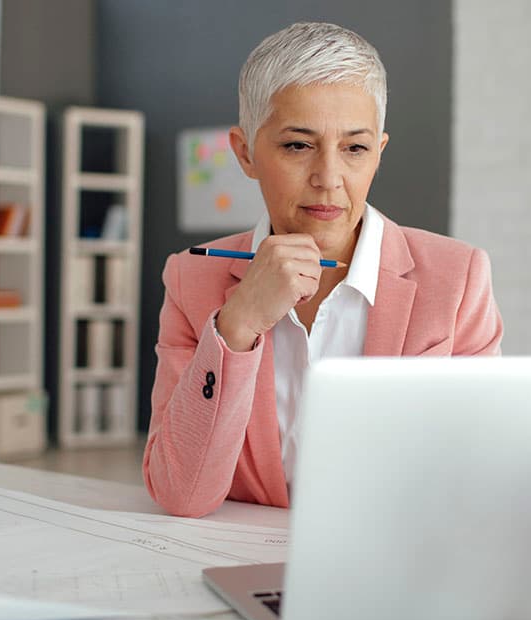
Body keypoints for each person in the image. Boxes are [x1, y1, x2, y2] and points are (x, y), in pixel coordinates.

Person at [144, 22, 504, 518]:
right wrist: (237, 325)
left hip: (391, 562)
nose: (328, 179)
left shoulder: (458, 277)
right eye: (297, 145)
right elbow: (181, 495)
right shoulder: (191, 280)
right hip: (243, 562)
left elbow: (483, 473)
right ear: (246, 152)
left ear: (378, 152)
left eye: (354, 148)